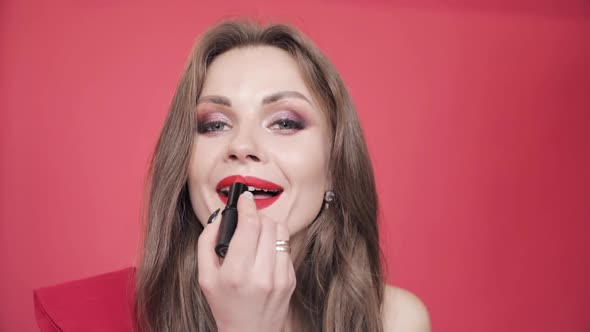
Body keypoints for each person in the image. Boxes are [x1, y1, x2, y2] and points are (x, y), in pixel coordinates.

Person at [34, 19, 431, 332]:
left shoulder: (393, 321)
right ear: (185, 166)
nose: (242, 144)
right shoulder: (86, 319)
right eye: (214, 125)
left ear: (334, 170)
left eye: (285, 122)